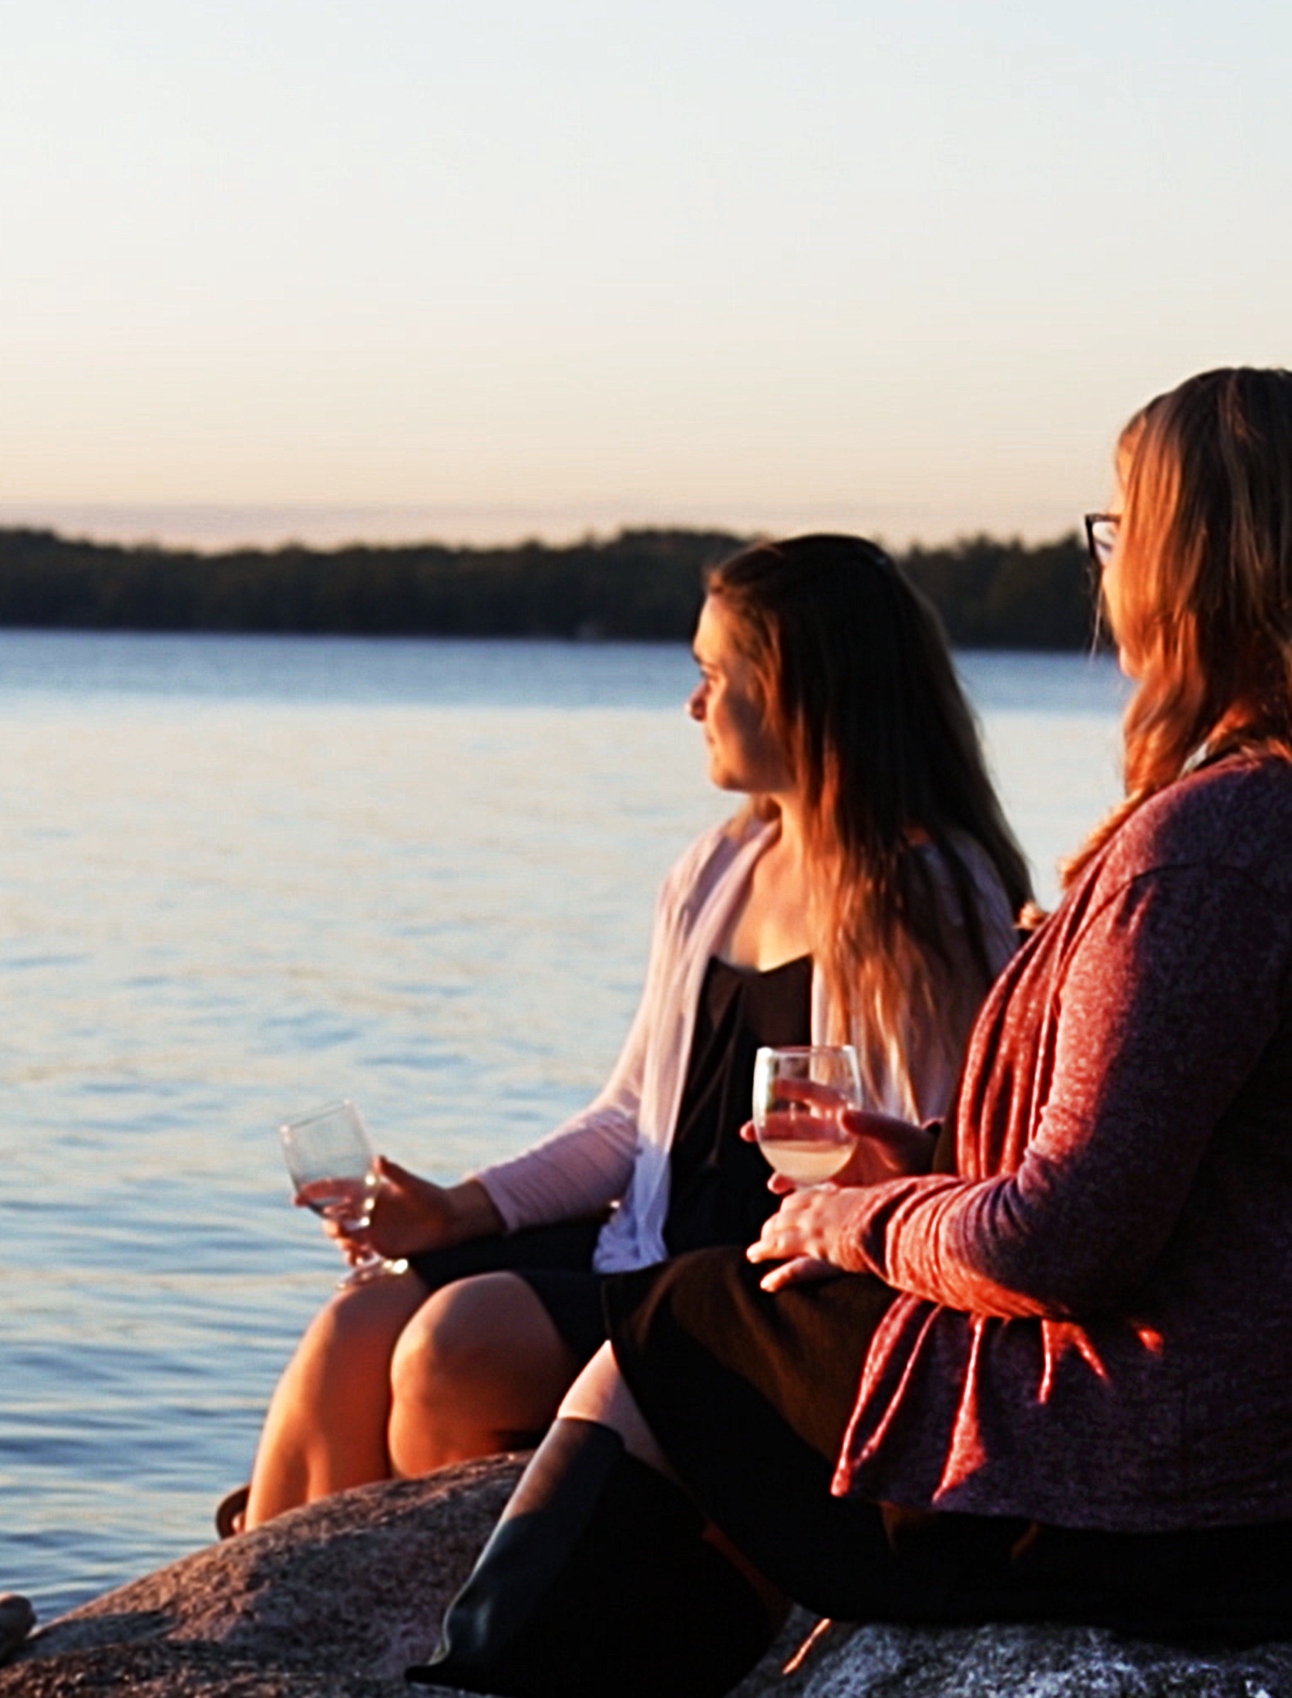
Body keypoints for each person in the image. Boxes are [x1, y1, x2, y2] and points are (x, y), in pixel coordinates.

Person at [409, 368, 1292, 1698]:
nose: (1106, 568)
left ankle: (485, 1693)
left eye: (1119, 529)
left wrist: (858, 1222)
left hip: (1195, 1480)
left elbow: (1061, 1243)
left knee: (682, 1332)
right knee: (722, 1334)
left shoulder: (1217, 846)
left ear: (1188, 566)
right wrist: (946, 1153)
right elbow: (1233, 1159)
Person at [235, 533, 1031, 1532]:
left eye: (713, 673)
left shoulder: (923, 890)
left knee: (453, 1344)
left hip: (774, 1288)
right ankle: (261, 1618)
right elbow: (628, 1124)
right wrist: (458, 1211)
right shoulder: (717, 868)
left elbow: (962, 1144)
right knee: (360, 1323)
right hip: (648, 1250)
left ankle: (467, 1642)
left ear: (794, 689)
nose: (693, 704)